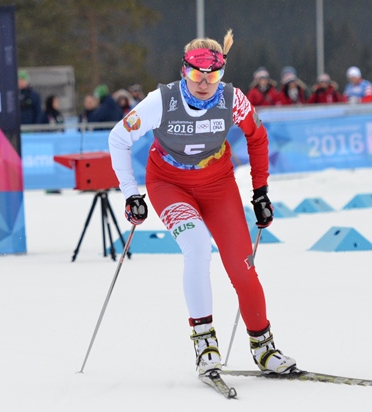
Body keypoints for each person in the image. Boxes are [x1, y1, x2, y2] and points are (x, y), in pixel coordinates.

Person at [108, 29, 297, 377]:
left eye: (213, 75)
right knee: (197, 247)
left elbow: (257, 137)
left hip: (217, 186)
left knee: (242, 267)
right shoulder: (161, 101)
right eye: (196, 75)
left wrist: (260, 191)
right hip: (169, 185)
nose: (205, 84)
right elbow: (118, 138)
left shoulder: (233, 99)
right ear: (184, 71)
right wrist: (132, 193)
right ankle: (205, 344)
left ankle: (264, 348)